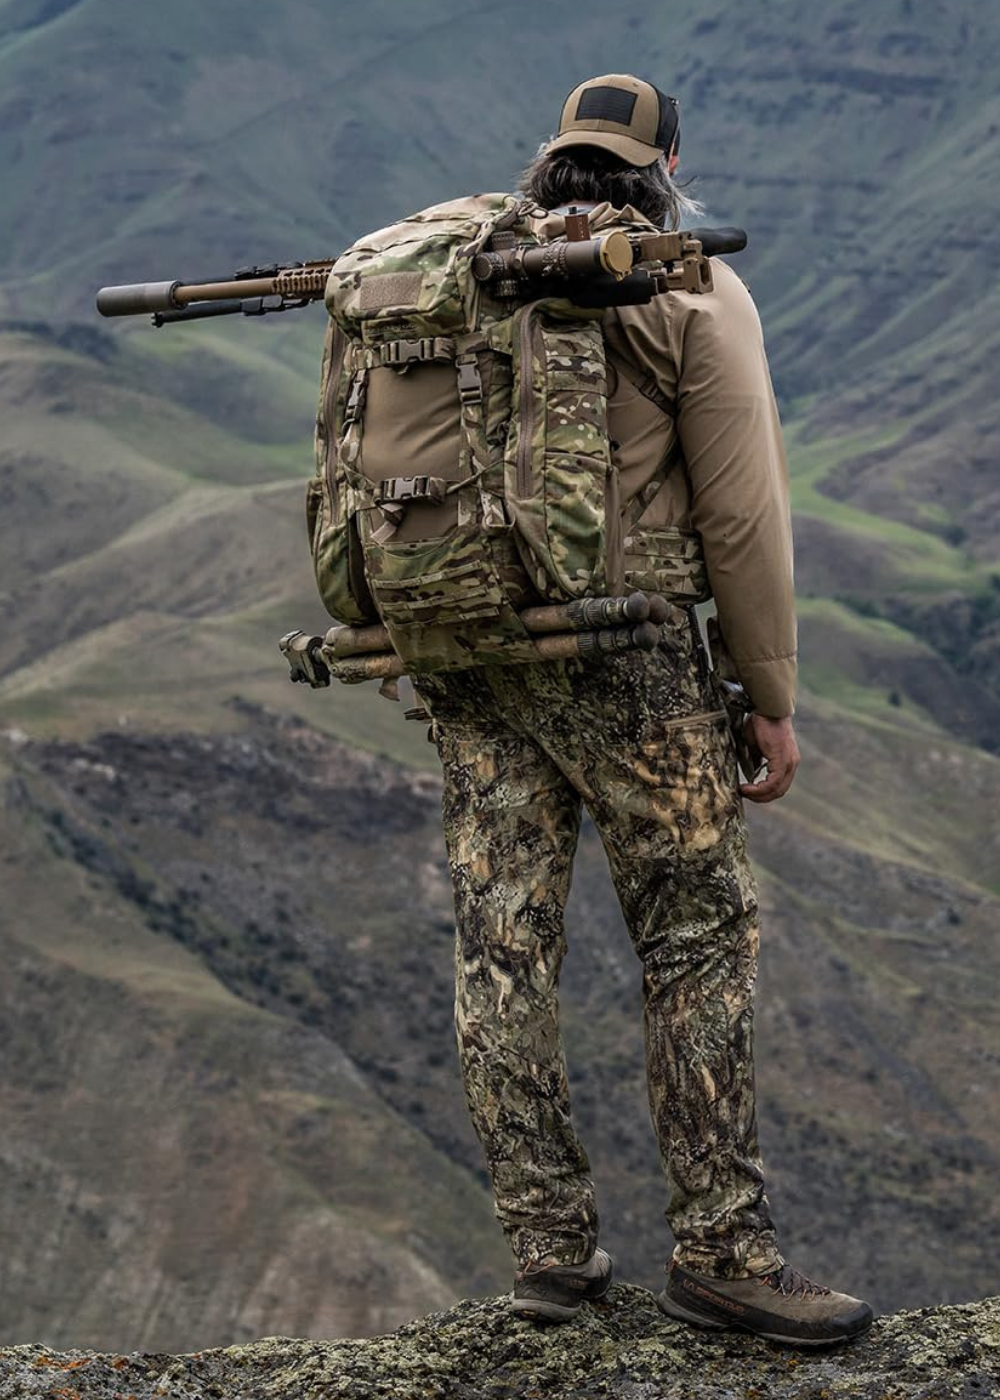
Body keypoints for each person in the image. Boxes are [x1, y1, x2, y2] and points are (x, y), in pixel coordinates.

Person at [409, 73, 873, 1348]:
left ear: (548, 156)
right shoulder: (687, 287)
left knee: (502, 942)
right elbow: (739, 511)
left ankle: (550, 1251)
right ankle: (723, 1251)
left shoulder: (466, 274)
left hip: (476, 645)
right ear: (670, 161)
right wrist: (767, 694)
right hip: (632, 658)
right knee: (695, 938)